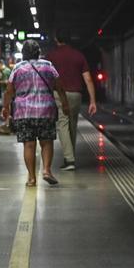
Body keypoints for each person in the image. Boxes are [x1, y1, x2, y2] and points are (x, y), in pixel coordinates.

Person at [2, 41, 69, 187]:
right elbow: (60, 87)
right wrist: (65, 104)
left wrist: (6, 108)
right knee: (46, 142)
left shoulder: (18, 68)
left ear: (24, 53)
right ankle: (46, 170)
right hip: (46, 111)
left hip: (24, 112)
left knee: (29, 145)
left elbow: (8, 91)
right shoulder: (48, 65)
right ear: (38, 52)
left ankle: (31, 178)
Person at [46, 30, 98, 171]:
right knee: (72, 124)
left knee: (62, 123)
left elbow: (47, 77)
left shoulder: (51, 56)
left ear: (56, 39)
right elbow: (88, 79)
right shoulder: (78, 55)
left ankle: (69, 160)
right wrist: (93, 100)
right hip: (76, 95)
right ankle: (70, 157)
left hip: (59, 94)